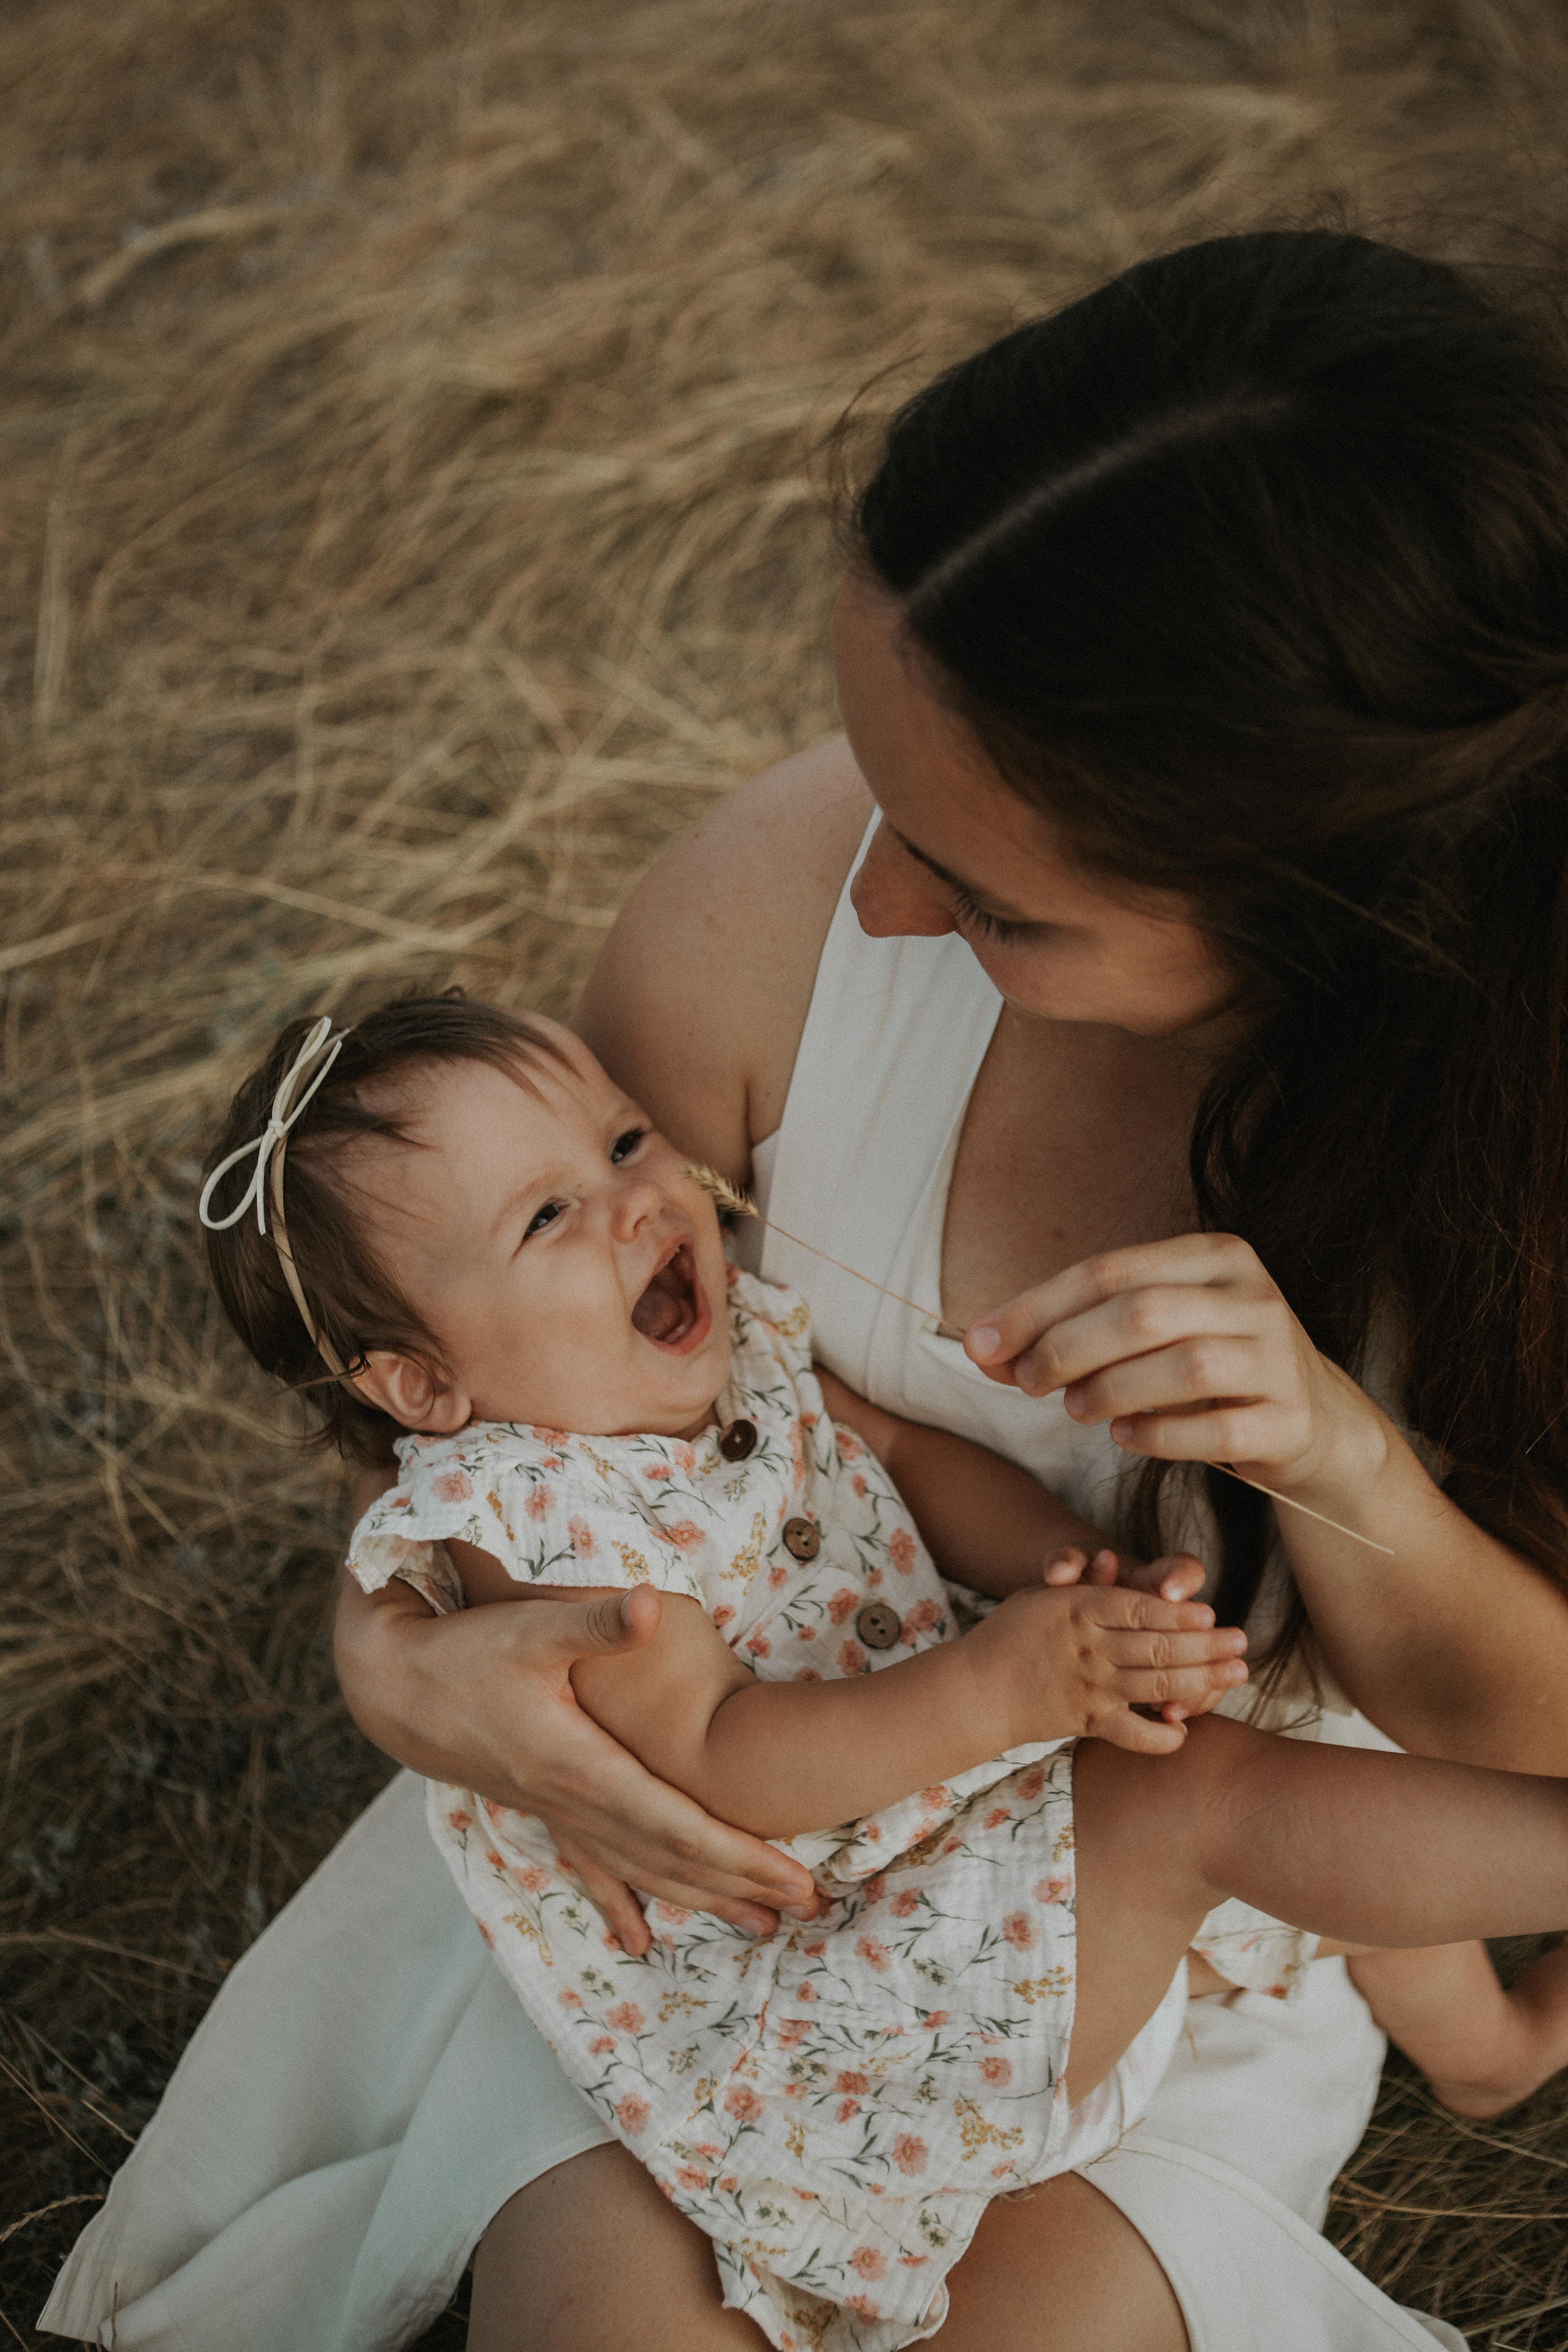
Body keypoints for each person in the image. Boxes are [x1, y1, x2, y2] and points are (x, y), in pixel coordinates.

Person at [41, 227, 1568, 2352]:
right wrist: (396, 1670)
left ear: (1316, 898)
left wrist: (1346, 1472)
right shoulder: (784, 908)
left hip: (1155, 1876)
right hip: (711, 1920)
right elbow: (508, 1433)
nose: (876, 886)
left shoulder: (1508, 1167)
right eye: (880, 775)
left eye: (995, 892)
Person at [200, 994, 1568, 2352]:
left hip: (932, 1812)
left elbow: (903, 1457)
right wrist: (999, 1688)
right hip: (825, 1978)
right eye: (544, 1219)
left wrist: (1064, 1570)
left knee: (1268, 1767)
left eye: (623, 1144)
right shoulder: (544, 1528)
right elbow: (722, 1762)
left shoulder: (726, 1349)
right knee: (1204, 1798)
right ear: (423, 1391)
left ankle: (1483, 2051)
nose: (636, 1203)